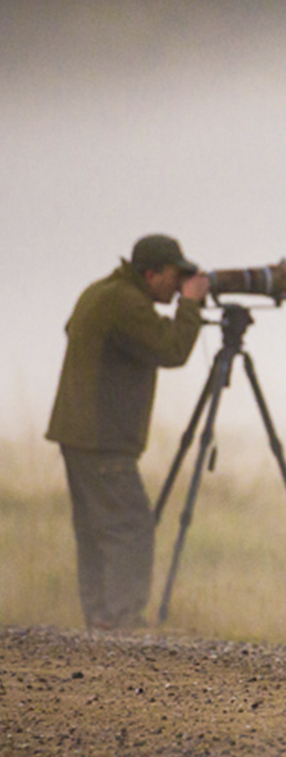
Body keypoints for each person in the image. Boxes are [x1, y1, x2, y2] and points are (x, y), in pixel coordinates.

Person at [46, 234, 210, 630]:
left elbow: (75, 330)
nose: (178, 285)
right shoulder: (126, 302)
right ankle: (122, 619)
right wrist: (191, 305)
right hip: (102, 436)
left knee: (95, 528)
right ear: (151, 273)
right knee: (131, 525)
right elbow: (171, 350)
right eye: (175, 276)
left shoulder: (102, 292)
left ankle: (100, 614)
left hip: (79, 432)